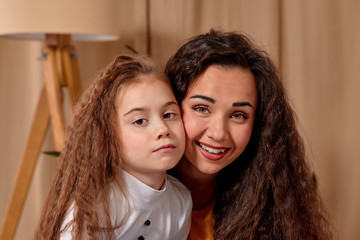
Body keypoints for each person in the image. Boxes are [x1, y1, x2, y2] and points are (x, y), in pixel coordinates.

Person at [165, 29, 332, 239]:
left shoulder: (271, 209)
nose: (218, 133)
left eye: (238, 115)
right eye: (202, 109)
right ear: (171, 109)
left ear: (258, 125)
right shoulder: (124, 199)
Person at [35, 55, 192, 240]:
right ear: (108, 136)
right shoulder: (92, 208)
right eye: (140, 121)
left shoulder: (180, 202)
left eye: (169, 114)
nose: (162, 129)